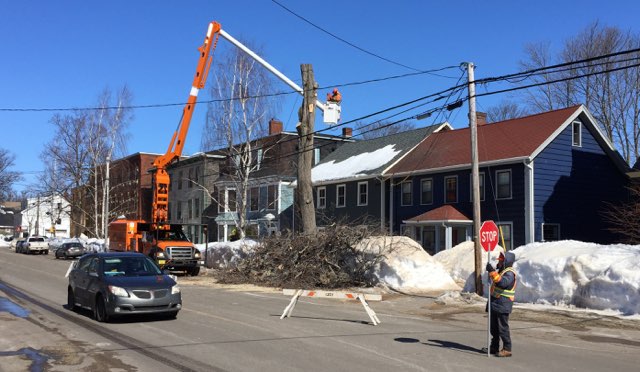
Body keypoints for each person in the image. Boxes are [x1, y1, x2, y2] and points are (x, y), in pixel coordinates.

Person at [485, 251, 517, 357]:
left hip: (503, 305)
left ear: (506, 262)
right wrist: (492, 272)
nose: (499, 263)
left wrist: (492, 272)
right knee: (494, 328)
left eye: (501, 261)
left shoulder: (510, 273)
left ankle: (507, 349)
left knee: (502, 328)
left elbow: (502, 283)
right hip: (496, 304)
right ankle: (494, 347)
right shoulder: (502, 271)